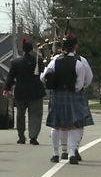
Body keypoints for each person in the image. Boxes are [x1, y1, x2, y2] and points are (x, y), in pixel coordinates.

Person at [40, 35, 94, 164]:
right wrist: (75, 90)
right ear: (75, 46)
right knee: (75, 125)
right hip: (73, 94)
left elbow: (43, 77)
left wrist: (53, 85)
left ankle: (55, 153)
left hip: (57, 95)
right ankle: (72, 153)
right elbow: (83, 83)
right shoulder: (80, 62)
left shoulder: (55, 61)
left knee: (57, 124)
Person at [4, 39, 47, 145]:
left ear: (22, 50)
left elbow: (10, 77)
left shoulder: (16, 63)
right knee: (35, 115)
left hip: (21, 91)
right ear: (32, 50)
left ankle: (21, 136)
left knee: (20, 115)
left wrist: (7, 89)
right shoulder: (38, 61)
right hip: (36, 91)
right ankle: (33, 136)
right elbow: (44, 74)